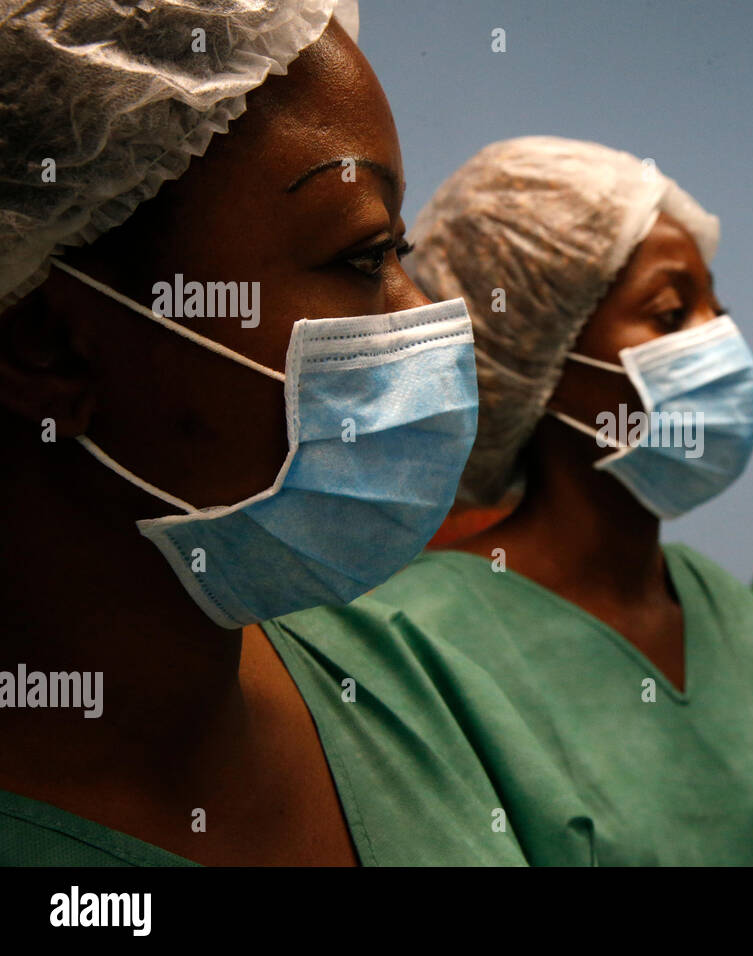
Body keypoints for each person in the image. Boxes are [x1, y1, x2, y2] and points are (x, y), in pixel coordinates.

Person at [0, 0, 526, 866]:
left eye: (400, 248)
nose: (423, 315)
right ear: (50, 346)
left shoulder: (400, 689)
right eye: (361, 257)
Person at [269, 136, 753, 865]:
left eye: (717, 305)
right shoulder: (410, 642)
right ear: (533, 355)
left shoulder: (737, 618)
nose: (719, 339)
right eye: (668, 313)